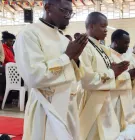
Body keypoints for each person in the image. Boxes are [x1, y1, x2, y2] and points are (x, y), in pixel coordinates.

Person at [14, 0, 88, 139]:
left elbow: (76, 76)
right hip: (46, 105)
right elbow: (33, 77)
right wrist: (67, 56)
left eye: (70, 12)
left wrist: (76, 59)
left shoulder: (63, 38)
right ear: (48, 7)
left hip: (69, 104)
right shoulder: (29, 34)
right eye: (64, 10)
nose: (68, 16)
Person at [78, 12, 127, 140]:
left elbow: (109, 69)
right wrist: (112, 72)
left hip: (104, 96)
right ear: (92, 26)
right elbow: (86, 78)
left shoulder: (100, 47)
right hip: (90, 98)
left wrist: (117, 70)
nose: (106, 30)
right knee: (91, 133)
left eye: (106, 27)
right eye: (103, 26)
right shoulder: (84, 47)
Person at [109, 29, 135, 130]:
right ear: (116, 42)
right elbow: (109, 76)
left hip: (124, 95)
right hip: (113, 97)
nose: (128, 46)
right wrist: (128, 75)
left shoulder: (123, 57)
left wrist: (132, 76)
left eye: (128, 43)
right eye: (126, 43)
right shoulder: (108, 55)